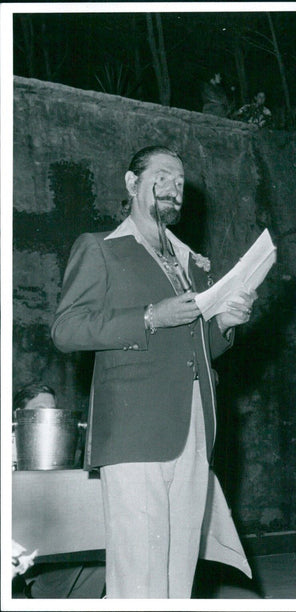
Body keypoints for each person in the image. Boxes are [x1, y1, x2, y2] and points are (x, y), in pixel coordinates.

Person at [51, 145, 257, 598]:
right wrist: (147, 317)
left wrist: (223, 324)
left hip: (195, 427)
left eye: (180, 183)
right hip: (134, 431)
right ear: (131, 183)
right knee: (139, 574)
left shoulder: (190, 264)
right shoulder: (100, 249)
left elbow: (193, 349)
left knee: (179, 571)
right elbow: (65, 330)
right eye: (162, 177)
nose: (173, 189)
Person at [12, 383, 107, 598]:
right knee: (69, 559)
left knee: (99, 556)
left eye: (54, 411)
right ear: (18, 417)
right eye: (41, 411)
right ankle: (33, 596)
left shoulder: (62, 458)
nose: (51, 419)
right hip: (27, 545)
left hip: (56, 540)